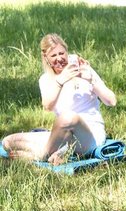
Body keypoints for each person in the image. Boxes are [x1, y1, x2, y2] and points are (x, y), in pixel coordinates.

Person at [1, 33, 117, 165]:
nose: (59, 58)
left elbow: (111, 101)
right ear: (46, 58)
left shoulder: (83, 69)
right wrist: (60, 81)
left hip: (89, 136)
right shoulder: (46, 79)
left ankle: (40, 156)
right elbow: (47, 106)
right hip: (63, 135)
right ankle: (55, 152)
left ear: (67, 52)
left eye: (62, 53)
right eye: (53, 55)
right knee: (8, 142)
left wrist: (92, 80)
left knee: (68, 117)